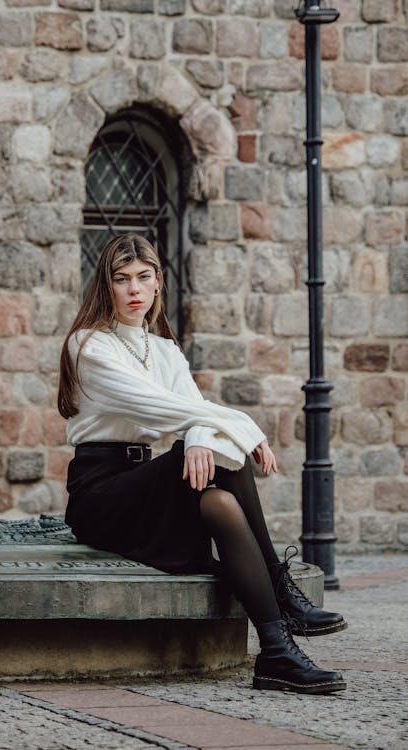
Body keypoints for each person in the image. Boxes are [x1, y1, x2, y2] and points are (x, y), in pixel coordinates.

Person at [58, 233, 347, 695]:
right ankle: (280, 587)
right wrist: (240, 425)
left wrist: (200, 439)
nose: (133, 289)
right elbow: (159, 409)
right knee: (226, 456)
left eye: (143, 277)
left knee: (220, 504)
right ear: (106, 286)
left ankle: (276, 653)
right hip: (103, 495)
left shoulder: (166, 351)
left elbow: (191, 412)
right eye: (121, 279)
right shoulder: (89, 345)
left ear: (158, 285)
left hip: (149, 482)